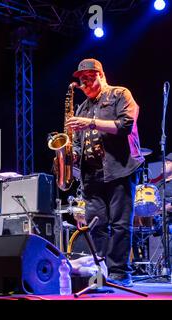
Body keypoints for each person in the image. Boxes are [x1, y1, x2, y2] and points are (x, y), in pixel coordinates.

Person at [65, 58, 145, 287]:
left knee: (120, 223)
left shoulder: (120, 94)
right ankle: (99, 272)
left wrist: (90, 123)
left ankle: (119, 273)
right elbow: (79, 143)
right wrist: (68, 153)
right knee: (95, 225)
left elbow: (126, 125)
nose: (84, 84)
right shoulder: (82, 108)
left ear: (100, 75)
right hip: (91, 175)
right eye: (81, 81)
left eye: (88, 79)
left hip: (119, 168)